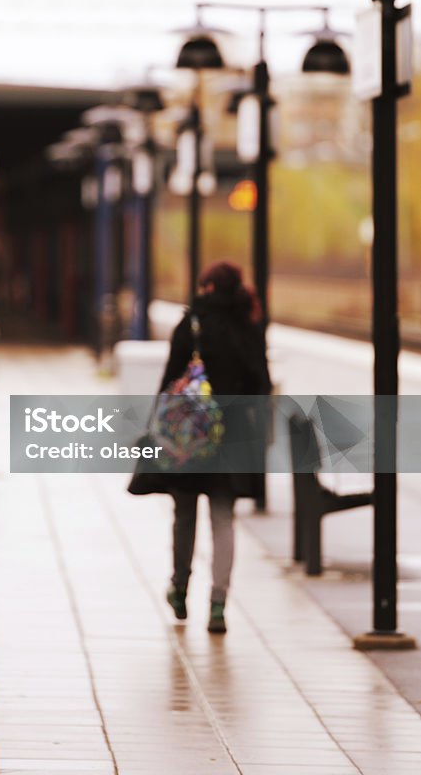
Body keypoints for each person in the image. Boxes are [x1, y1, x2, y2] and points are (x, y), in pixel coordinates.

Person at [128, 261, 271, 632]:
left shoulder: (192, 324)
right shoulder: (248, 325)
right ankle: (219, 605)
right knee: (223, 519)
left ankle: (179, 588)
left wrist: (154, 429)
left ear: (206, 286)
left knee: (185, 514)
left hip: (188, 434)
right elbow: (261, 383)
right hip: (233, 434)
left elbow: (170, 379)